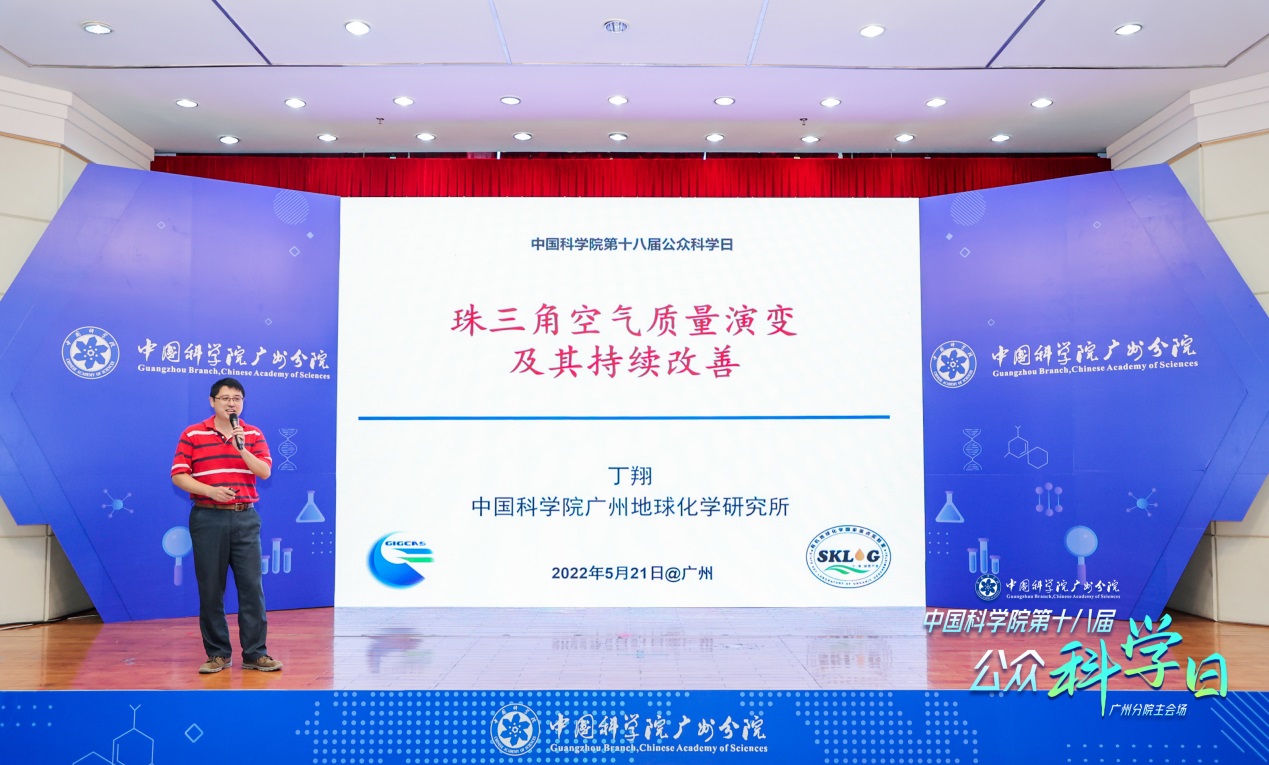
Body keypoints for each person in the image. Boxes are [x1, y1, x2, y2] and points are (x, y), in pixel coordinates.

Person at [171, 377, 282, 674]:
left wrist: (241, 448)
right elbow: (179, 475)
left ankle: (255, 653)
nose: (231, 403)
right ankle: (218, 653)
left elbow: (264, 471)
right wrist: (210, 491)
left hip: (245, 517)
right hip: (208, 517)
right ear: (212, 402)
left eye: (237, 398)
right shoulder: (193, 433)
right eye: (225, 398)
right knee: (211, 588)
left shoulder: (253, 434)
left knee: (252, 588)